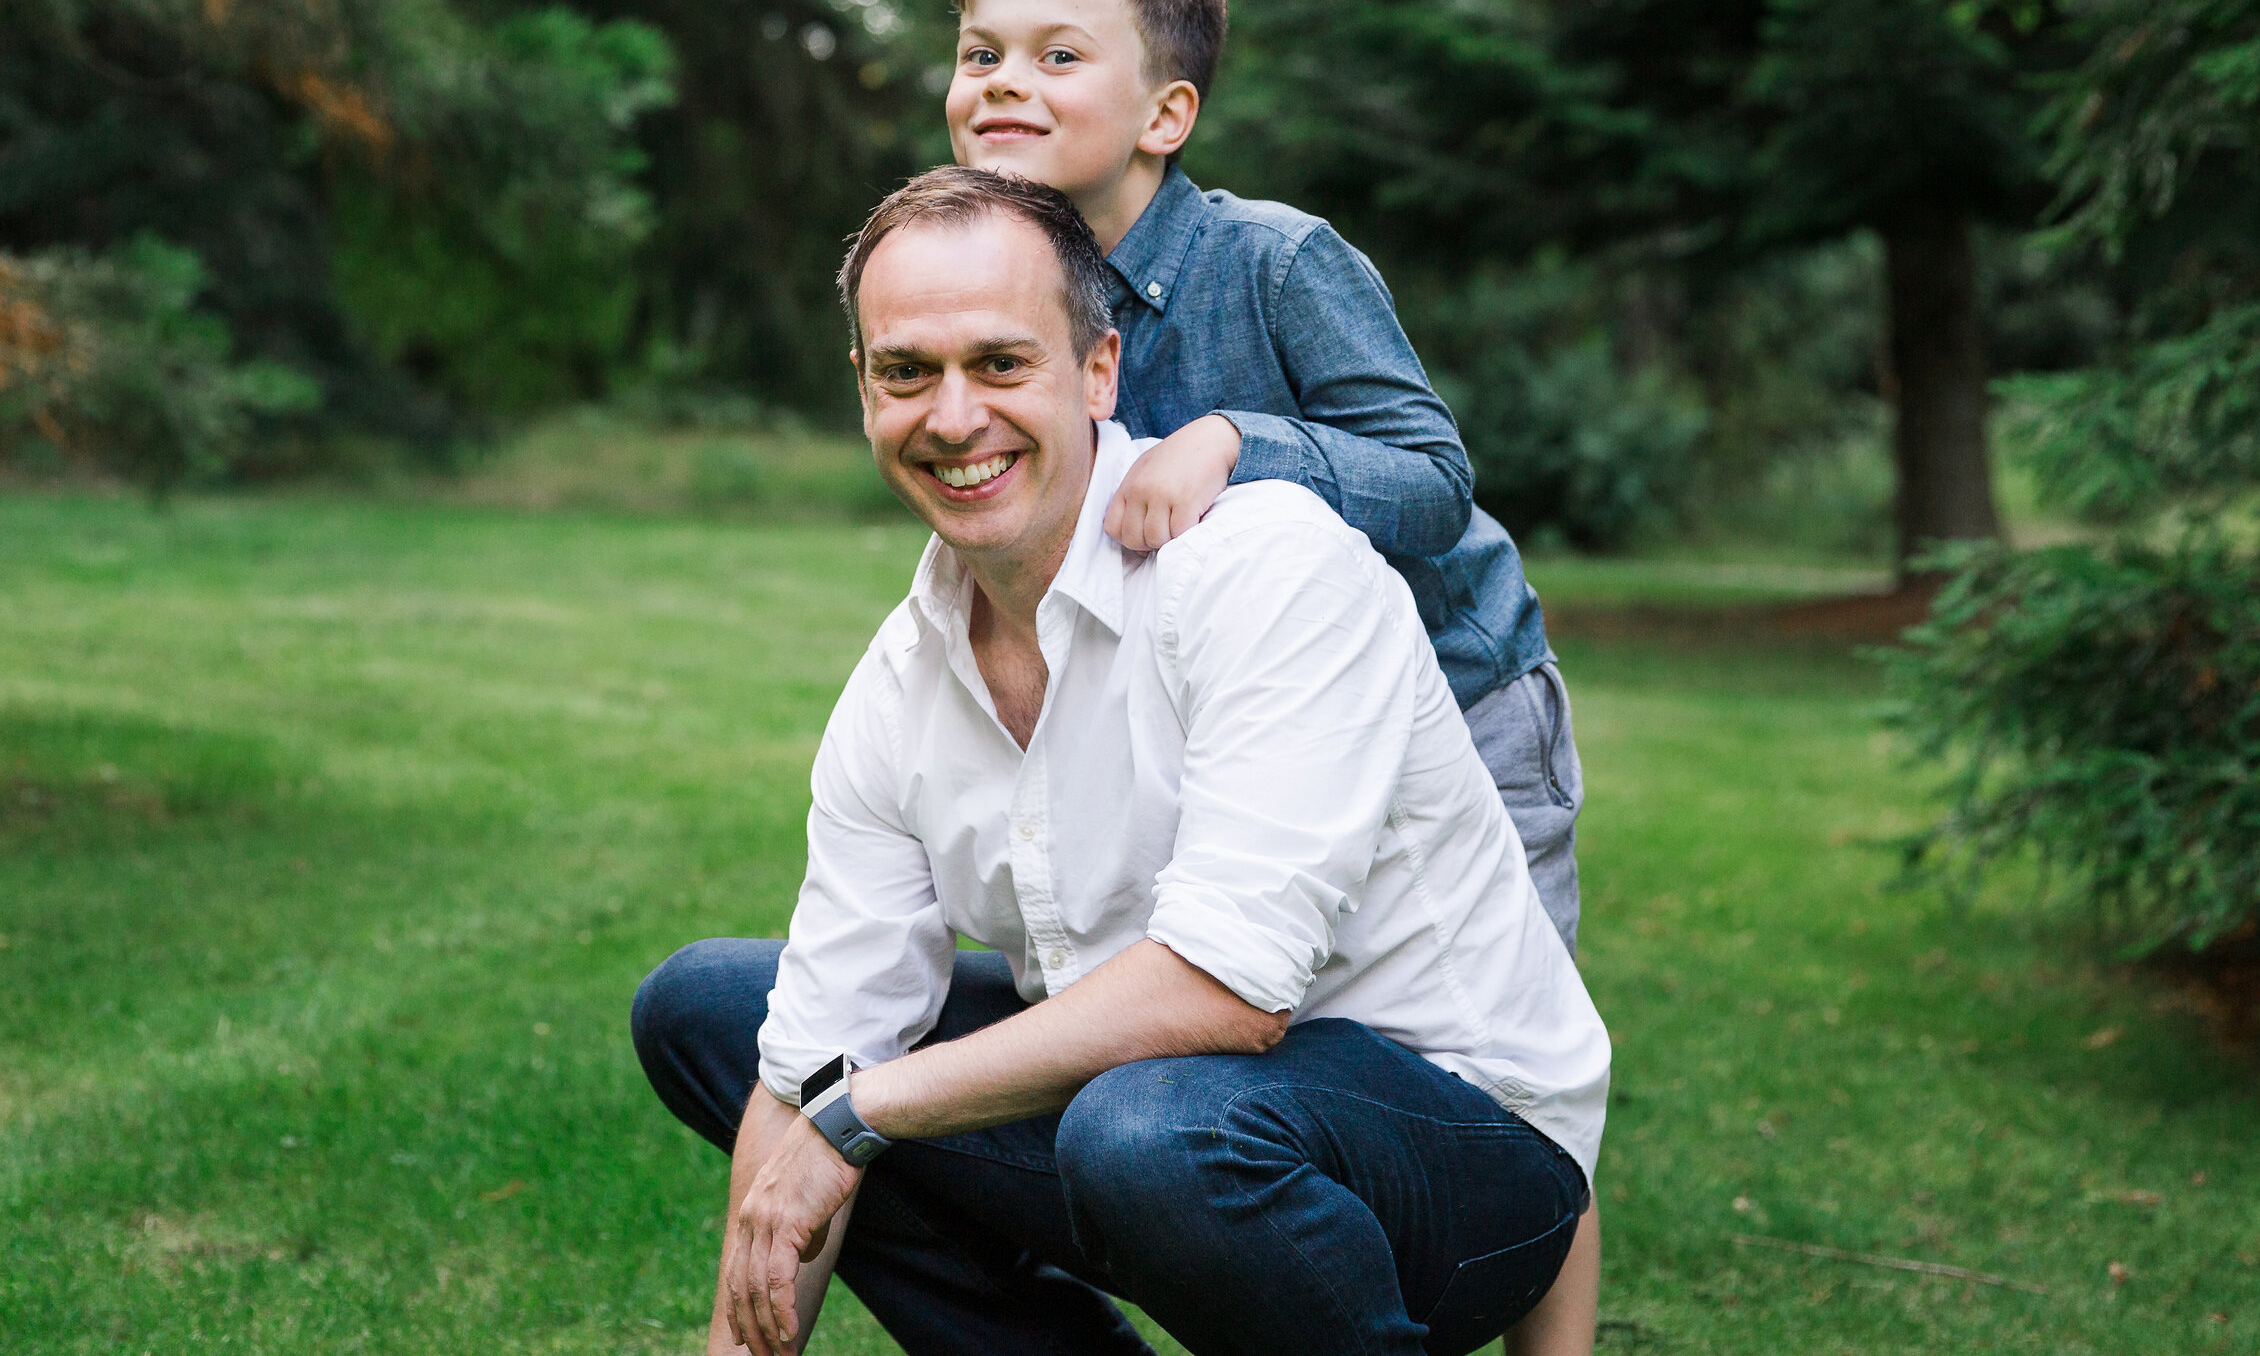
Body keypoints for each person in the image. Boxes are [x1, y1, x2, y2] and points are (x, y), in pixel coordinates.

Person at [631, 168, 1613, 1356]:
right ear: (862, 389)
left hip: (1464, 1169)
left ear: (1098, 370)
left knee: (1141, 1129)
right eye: (907, 371)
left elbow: (1224, 992)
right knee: (718, 1012)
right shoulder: (901, 679)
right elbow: (815, 1054)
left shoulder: (1266, 568)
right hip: (1156, 1116)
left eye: (1000, 364)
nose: (952, 418)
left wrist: (862, 1110)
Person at [942, 0, 1585, 948]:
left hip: (1460, 709)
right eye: (981, 53)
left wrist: (1238, 442)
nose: (1005, 78)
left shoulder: (1277, 261)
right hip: (1253, 725)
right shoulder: (1012, 299)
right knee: (1285, 996)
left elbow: (1431, 482)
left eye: (1058, 55)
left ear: (1165, 116)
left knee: (1482, 1025)